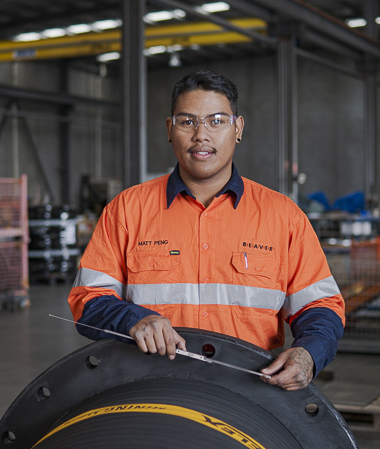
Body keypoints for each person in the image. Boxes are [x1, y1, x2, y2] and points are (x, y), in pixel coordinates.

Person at [68, 70, 345, 391]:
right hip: (148, 386)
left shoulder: (282, 216)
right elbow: (89, 299)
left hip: (251, 392)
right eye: (187, 122)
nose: (201, 134)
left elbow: (320, 305)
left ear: (237, 128)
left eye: (216, 121)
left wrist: (308, 353)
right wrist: (135, 320)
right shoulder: (127, 210)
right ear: (169, 129)